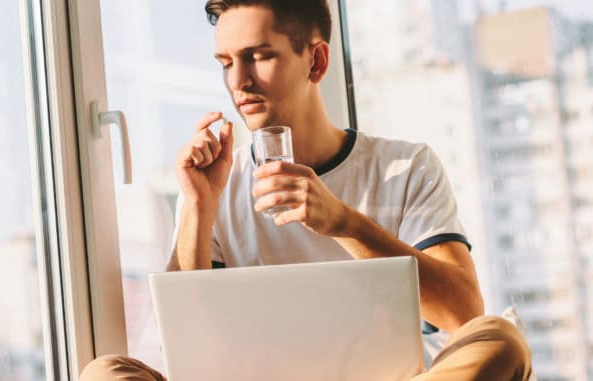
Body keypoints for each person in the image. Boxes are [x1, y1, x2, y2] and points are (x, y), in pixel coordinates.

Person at [81, 0, 533, 379]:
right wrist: (198, 206)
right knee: (105, 373)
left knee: (501, 340)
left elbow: (465, 313)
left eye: (259, 56)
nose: (238, 82)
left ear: (316, 61)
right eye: (225, 63)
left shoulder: (406, 166)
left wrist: (345, 223)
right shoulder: (215, 184)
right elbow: (181, 346)